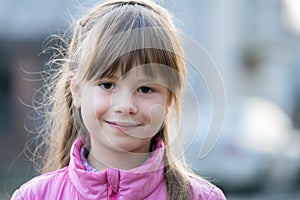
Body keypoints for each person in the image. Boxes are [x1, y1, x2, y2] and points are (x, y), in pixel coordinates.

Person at [11, 0, 226, 199]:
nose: (125, 106)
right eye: (107, 85)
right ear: (76, 90)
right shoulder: (34, 196)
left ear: (169, 99)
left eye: (145, 89)